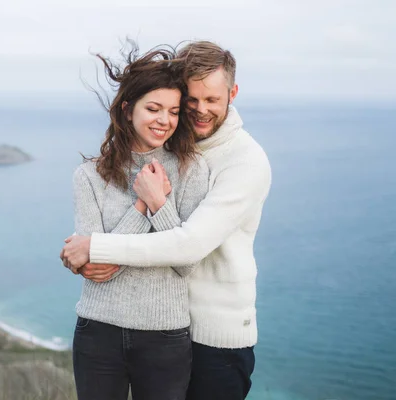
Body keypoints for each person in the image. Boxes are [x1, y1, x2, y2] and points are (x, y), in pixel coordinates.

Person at [61, 41, 272, 400]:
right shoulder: (181, 150)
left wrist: (96, 244)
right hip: (168, 329)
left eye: (212, 100)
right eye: (191, 100)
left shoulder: (242, 161)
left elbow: (188, 246)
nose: (199, 110)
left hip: (215, 339)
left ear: (232, 94)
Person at [69, 43, 210, 400]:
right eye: (154, 108)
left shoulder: (192, 170)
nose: (165, 120)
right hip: (98, 331)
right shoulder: (89, 176)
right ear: (127, 108)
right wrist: (143, 208)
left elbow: (187, 262)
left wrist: (160, 201)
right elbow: (96, 261)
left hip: (164, 336)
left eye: (174, 112)